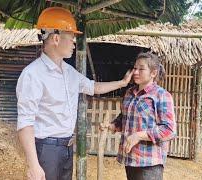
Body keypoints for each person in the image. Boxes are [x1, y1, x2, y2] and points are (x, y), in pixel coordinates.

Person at [16, 7, 133, 180]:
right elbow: (25, 122)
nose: (74, 44)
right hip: (46, 149)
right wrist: (33, 164)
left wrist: (122, 83)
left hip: (67, 147)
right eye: (71, 38)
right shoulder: (32, 74)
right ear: (56, 38)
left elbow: (94, 88)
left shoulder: (69, 72)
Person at [107, 52, 176, 180]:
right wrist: (113, 125)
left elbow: (169, 130)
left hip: (149, 162)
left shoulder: (161, 95)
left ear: (153, 73)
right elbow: (125, 117)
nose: (136, 72)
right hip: (130, 158)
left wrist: (139, 136)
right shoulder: (129, 93)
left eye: (141, 69)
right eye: (135, 68)